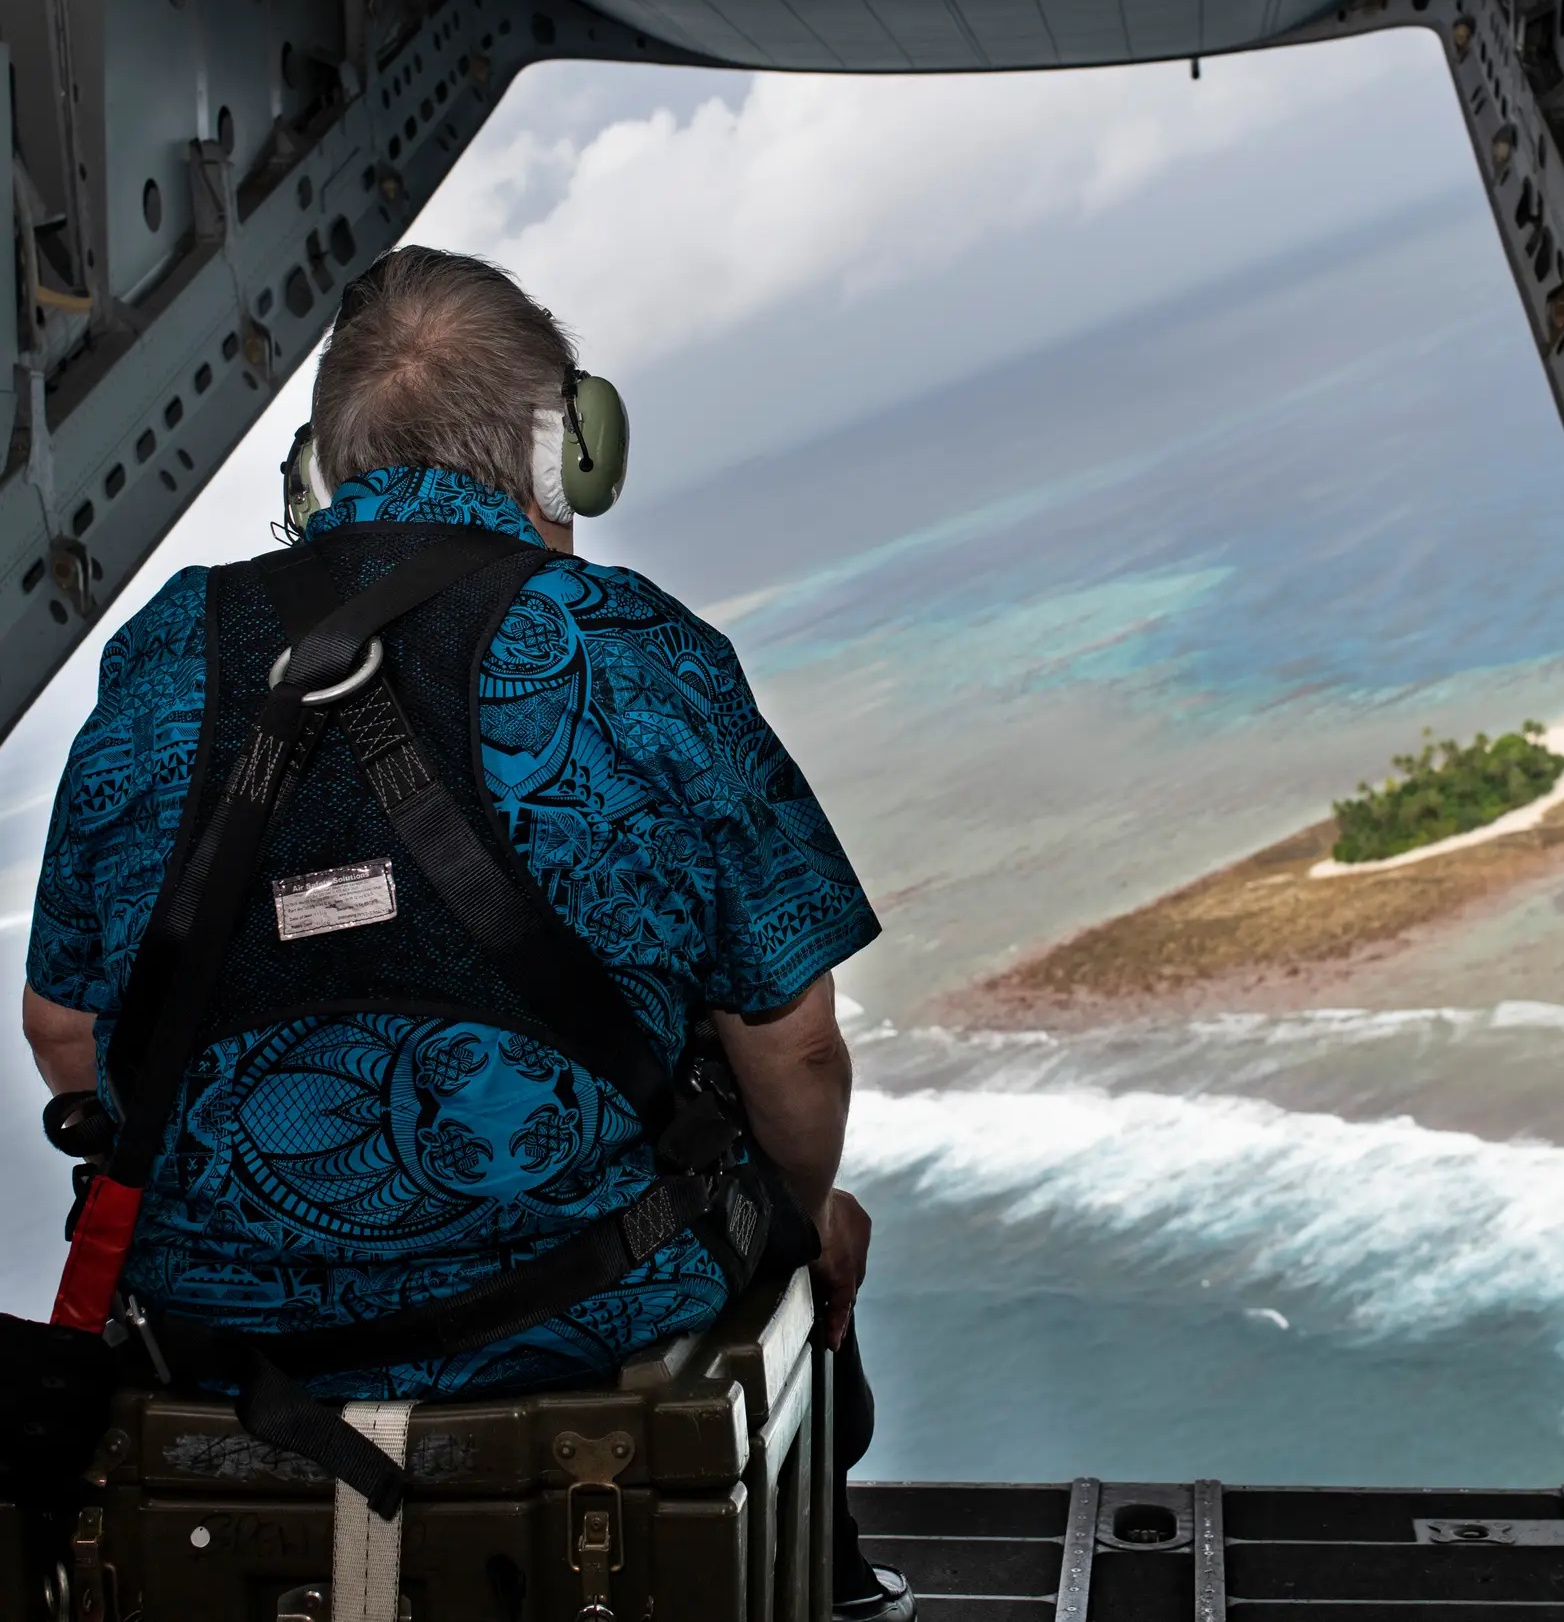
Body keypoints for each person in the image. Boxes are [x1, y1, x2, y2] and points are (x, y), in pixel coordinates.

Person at [22, 246, 914, 1622]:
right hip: (596, 1313)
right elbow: (794, 1047)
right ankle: (844, 1597)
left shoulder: (160, 662)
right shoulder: (632, 647)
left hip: (217, 1349)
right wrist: (801, 1226)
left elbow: (66, 1033)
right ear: (569, 458)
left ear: (317, 479)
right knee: (810, 1235)